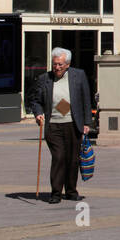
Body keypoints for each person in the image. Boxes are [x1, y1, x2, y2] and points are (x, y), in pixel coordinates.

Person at [27, 47, 92, 204]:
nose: (57, 67)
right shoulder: (44, 79)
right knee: (59, 157)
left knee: (72, 159)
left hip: (72, 124)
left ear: (68, 64)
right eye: (55, 64)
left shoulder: (78, 76)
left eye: (60, 64)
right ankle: (56, 193)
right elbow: (35, 100)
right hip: (53, 125)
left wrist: (87, 122)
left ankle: (71, 191)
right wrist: (38, 113)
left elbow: (86, 99)